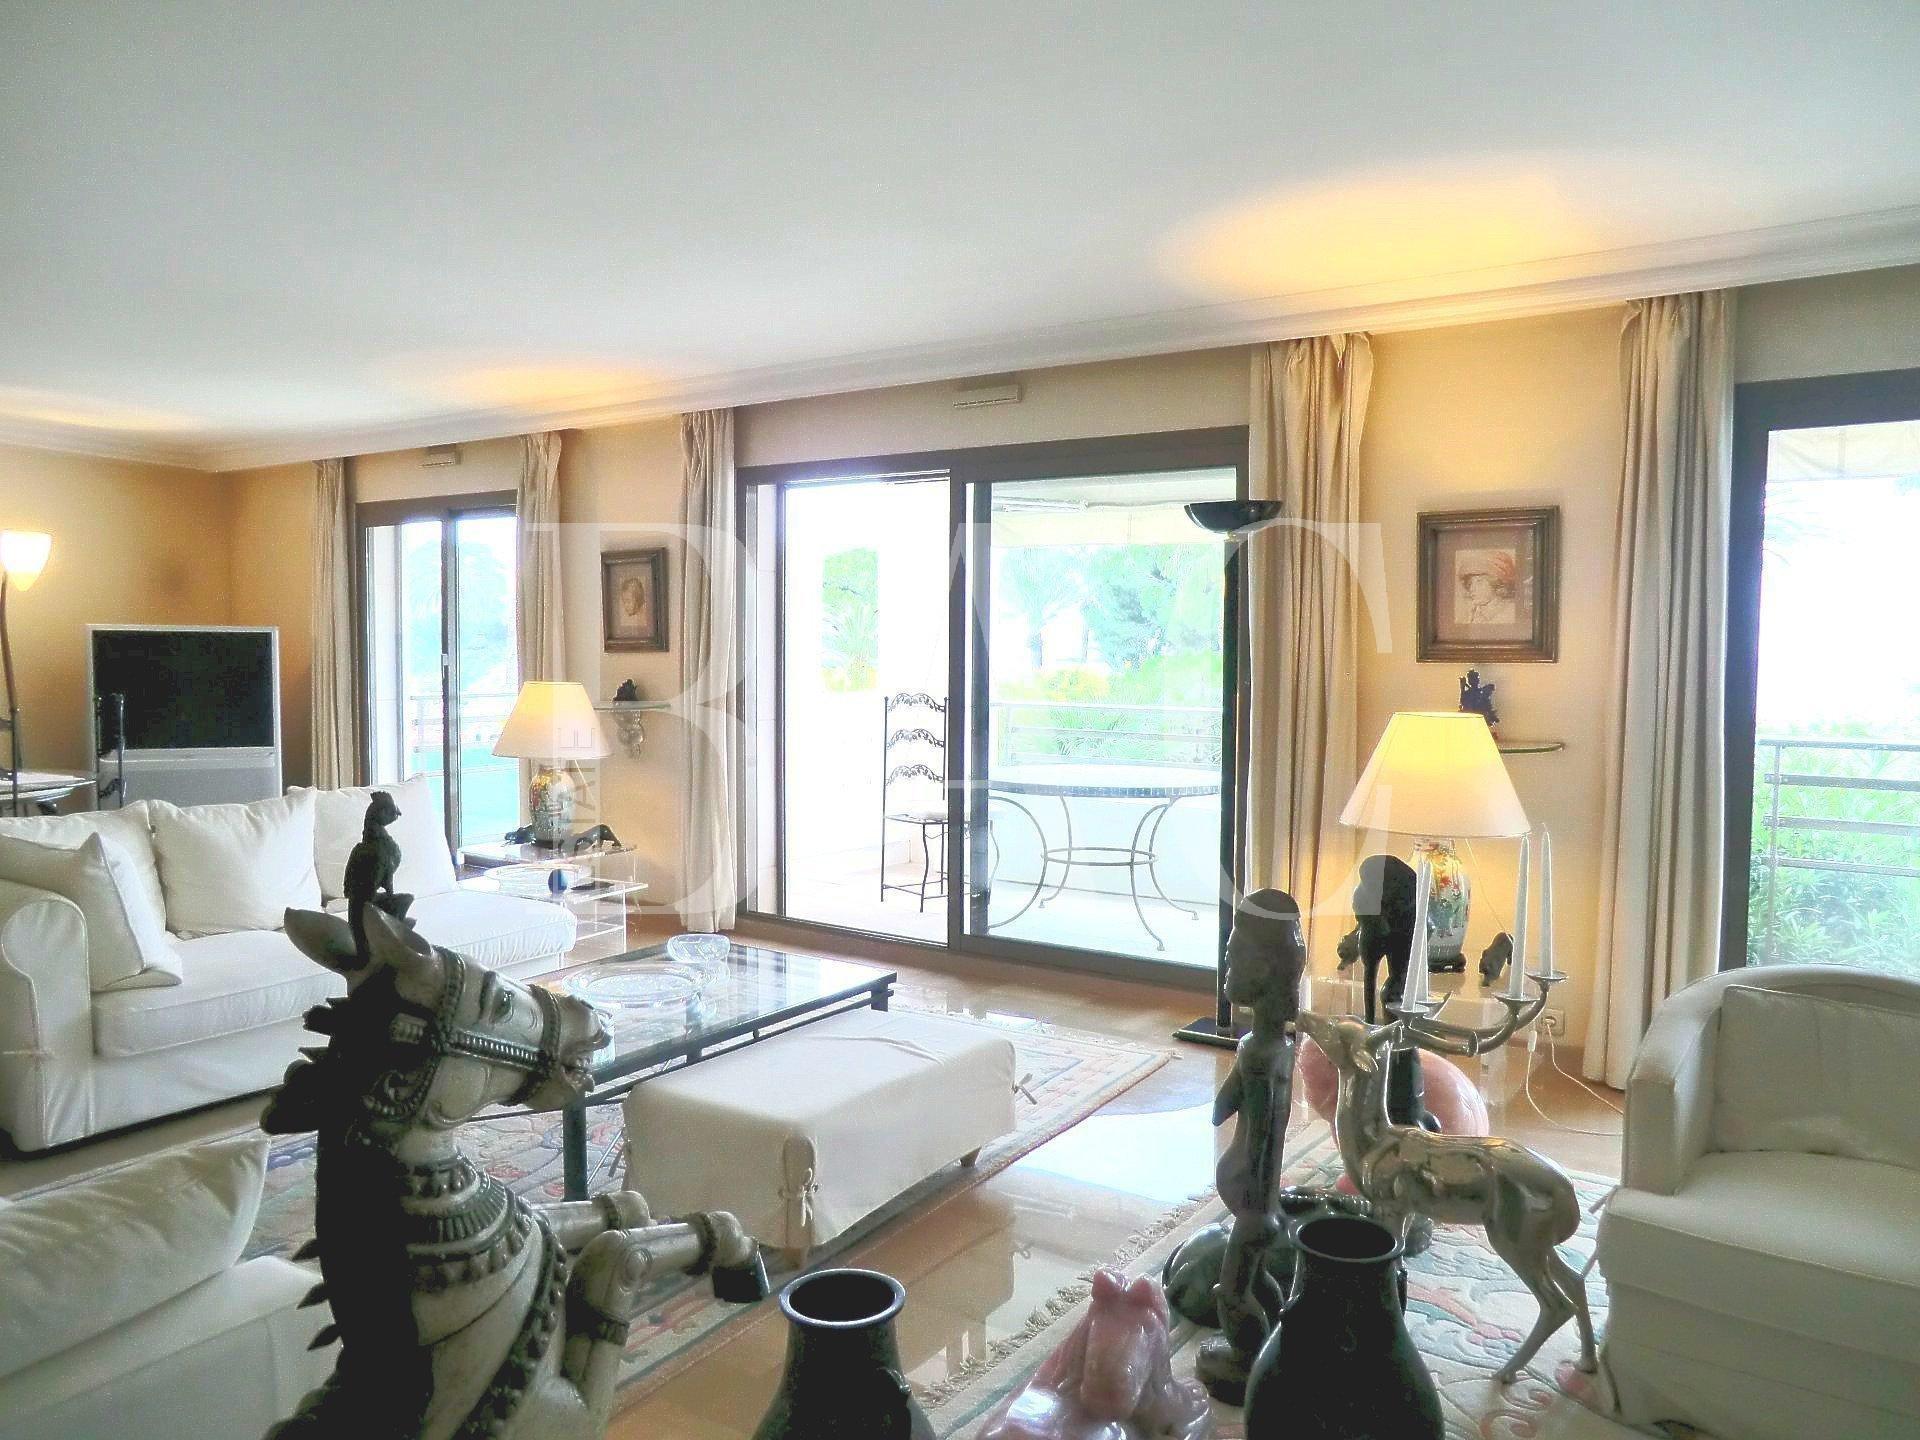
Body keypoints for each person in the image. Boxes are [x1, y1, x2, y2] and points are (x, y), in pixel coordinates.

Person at [1196, 887, 1306, 1402]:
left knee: (1232, 1291)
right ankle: (1281, 1344)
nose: (1227, 966)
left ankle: (1250, 1362)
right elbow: (1230, 1109)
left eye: (1234, 955)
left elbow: (1257, 1135)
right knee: (1259, 1282)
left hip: (1254, 1210)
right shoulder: (1272, 1046)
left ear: (1265, 970)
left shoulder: (1261, 1055)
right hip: (1258, 1207)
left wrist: (1261, 1208)